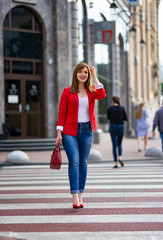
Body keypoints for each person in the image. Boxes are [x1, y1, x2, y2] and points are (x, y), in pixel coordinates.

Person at [56, 62, 106, 209]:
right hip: (69, 131)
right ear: (75, 74)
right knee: (74, 161)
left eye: (85, 72)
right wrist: (59, 132)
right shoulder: (67, 91)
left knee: (83, 162)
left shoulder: (91, 90)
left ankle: (81, 195)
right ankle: (74, 196)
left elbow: (102, 95)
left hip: (87, 130)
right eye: (80, 72)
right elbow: (62, 112)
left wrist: (95, 76)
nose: (83, 74)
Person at [107, 96, 127, 168]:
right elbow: (126, 118)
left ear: (113, 101)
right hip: (120, 126)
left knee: (114, 145)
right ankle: (120, 157)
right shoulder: (121, 108)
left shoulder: (110, 108)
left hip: (112, 126)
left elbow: (108, 117)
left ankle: (115, 163)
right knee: (119, 144)